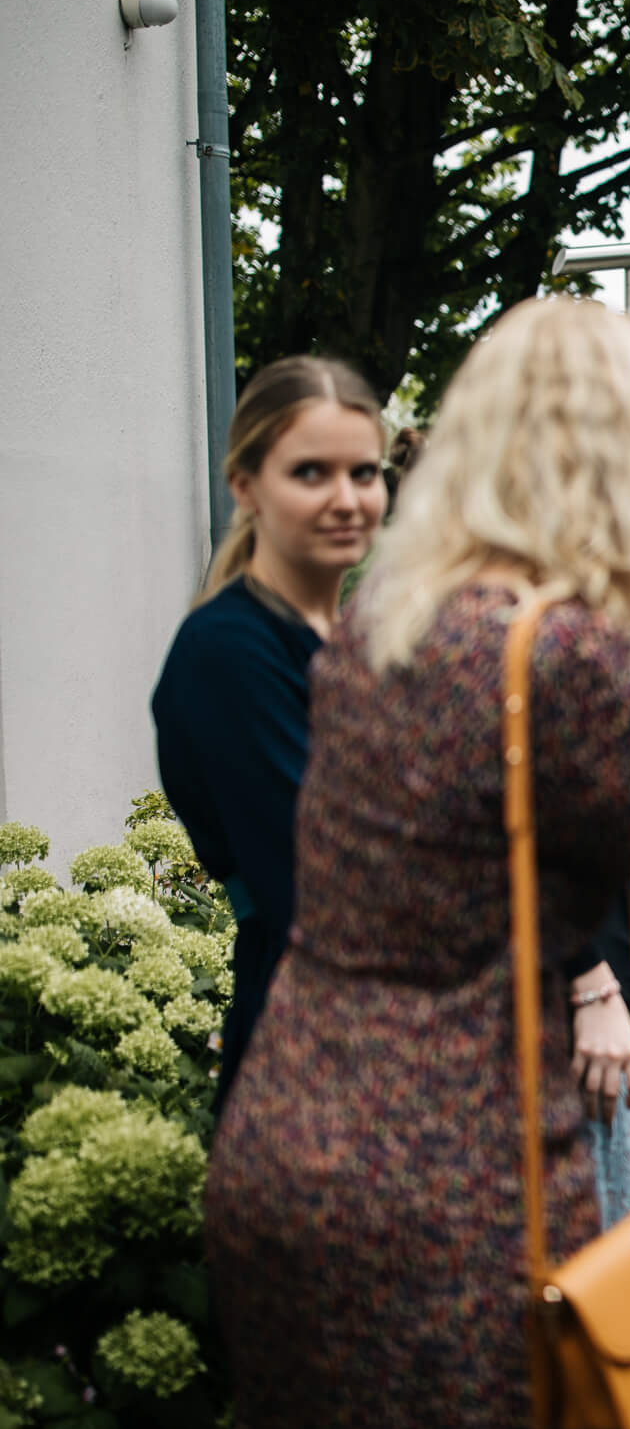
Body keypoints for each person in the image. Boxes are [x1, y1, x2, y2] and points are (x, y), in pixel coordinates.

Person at [203, 297, 630, 1429]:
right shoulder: (558, 656)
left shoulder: (384, 620)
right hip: (448, 1200)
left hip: (291, 1159)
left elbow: (484, 817)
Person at [151, 356, 388, 1110]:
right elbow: (319, 894)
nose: (346, 499)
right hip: (314, 1060)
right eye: (311, 473)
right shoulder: (228, 653)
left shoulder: (357, 642)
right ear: (245, 485)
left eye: (364, 473)